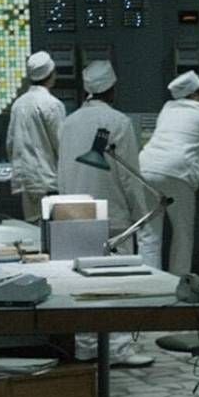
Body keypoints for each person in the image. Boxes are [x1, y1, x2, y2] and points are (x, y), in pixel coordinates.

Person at [56, 60, 153, 368]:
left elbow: (62, 169)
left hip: (74, 212)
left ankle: (85, 345)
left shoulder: (69, 122)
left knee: (82, 285)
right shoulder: (118, 122)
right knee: (118, 283)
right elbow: (129, 174)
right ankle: (119, 348)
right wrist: (142, 213)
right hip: (113, 215)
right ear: (112, 89)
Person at [138, 71, 199, 275]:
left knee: (149, 234)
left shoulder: (168, 108)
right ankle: (179, 282)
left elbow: (180, 138)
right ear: (195, 94)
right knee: (182, 234)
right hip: (177, 174)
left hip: (146, 168)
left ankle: (150, 283)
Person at [6, 51, 66, 222]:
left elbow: (10, 143)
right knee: (52, 232)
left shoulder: (18, 104)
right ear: (51, 74)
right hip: (47, 182)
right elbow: (62, 145)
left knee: (33, 230)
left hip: (26, 182)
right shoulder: (52, 104)